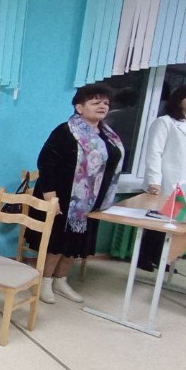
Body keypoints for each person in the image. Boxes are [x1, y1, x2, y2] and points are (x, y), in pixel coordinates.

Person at [26, 84, 124, 304]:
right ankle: (45, 282)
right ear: (79, 107)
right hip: (63, 198)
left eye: (106, 103)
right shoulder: (66, 131)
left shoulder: (108, 135)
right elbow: (45, 163)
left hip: (91, 201)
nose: (102, 106)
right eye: (95, 102)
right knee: (57, 243)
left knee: (75, 244)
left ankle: (61, 280)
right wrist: (51, 198)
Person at [138, 84, 186, 271]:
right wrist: (154, 180)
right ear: (179, 101)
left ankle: (163, 258)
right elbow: (154, 153)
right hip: (170, 180)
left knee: (178, 223)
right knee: (161, 222)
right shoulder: (165, 122)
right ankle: (145, 257)